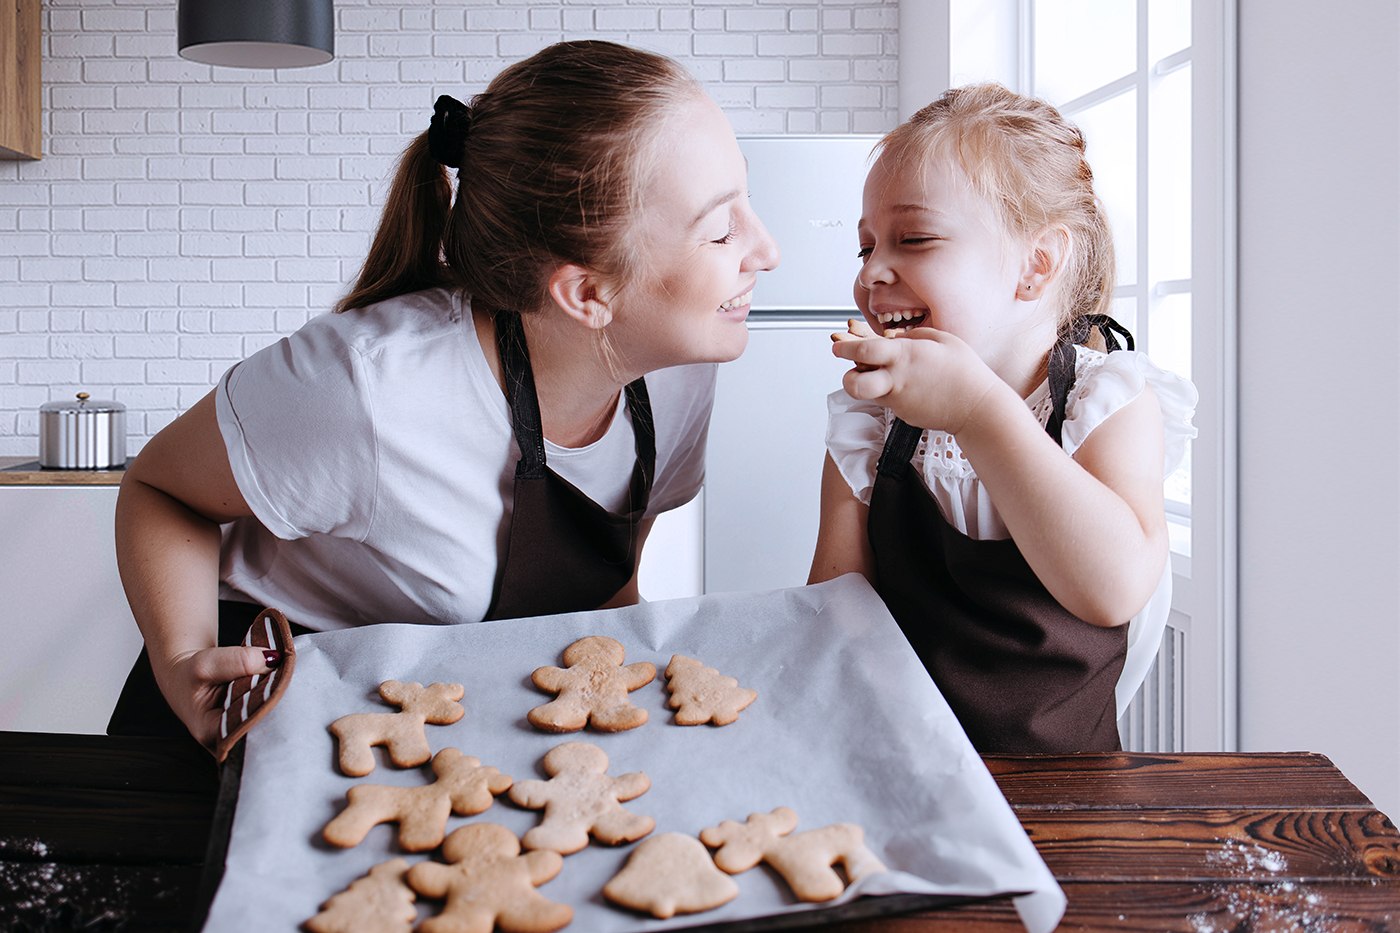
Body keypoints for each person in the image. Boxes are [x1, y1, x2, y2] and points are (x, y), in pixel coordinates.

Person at [108, 40, 779, 750]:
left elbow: (604, 596)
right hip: (253, 705)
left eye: (747, 200)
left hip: (440, 717)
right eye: (720, 229)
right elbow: (158, 487)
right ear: (587, 293)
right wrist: (180, 656)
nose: (767, 250)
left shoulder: (679, 374)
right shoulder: (367, 390)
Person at [808, 83, 1196, 754]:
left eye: (914, 238)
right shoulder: (869, 426)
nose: (874, 272)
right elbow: (835, 620)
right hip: (902, 774)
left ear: (1036, 265)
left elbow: (1112, 590)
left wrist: (978, 411)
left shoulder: (1107, 405)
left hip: (1064, 802)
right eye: (866, 247)